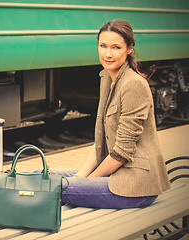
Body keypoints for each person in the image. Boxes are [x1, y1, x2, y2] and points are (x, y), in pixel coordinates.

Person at [49, 19, 171, 209]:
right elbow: (101, 140)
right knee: (43, 175)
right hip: (116, 173)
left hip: (134, 186)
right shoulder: (107, 77)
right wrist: (80, 177)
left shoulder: (133, 84)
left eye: (115, 47)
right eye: (103, 46)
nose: (107, 54)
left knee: (53, 188)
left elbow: (121, 152)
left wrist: (83, 182)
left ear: (129, 48)